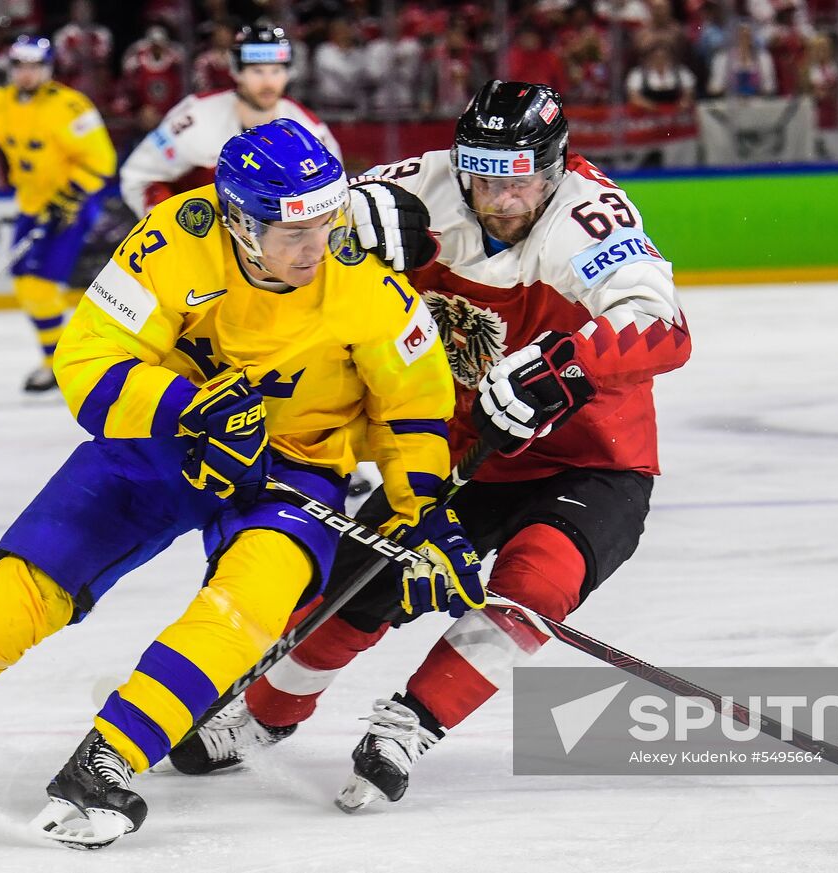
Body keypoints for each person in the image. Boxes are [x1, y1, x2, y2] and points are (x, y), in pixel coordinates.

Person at [0, 119, 473, 850]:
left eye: (326, 223)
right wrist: (185, 408)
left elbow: (414, 414)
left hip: (295, 467)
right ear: (241, 222)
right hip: (167, 437)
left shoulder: (367, 276)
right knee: (21, 590)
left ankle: (107, 758)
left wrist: (424, 515)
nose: (317, 247)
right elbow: (87, 358)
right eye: (293, 232)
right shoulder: (175, 237)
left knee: (245, 610)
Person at [168, 81, 691, 813]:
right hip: (462, 444)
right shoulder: (417, 185)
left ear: (557, 166)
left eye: (522, 181)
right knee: (363, 582)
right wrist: (347, 226)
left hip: (593, 456)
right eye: (484, 179)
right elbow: (303, 231)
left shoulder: (588, 215)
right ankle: (265, 714)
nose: (501, 201)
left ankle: (413, 724)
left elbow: (664, 326)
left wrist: (567, 365)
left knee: (535, 586)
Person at [0, 34, 117, 392]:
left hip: (72, 208)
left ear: (47, 68)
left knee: (46, 286)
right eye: (20, 66)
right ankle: (57, 362)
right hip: (32, 207)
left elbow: (102, 161)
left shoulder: (70, 106)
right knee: (27, 285)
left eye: (35, 66)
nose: (27, 73)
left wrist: (70, 194)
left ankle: (70, 363)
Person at [120, 24, 340, 218]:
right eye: (257, 71)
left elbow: (332, 197)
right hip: (201, 238)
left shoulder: (309, 129)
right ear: (236, 71)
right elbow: (139, 176)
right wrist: (173, 229)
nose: (268, 82)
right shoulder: (194, 116)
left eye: (276, 71)